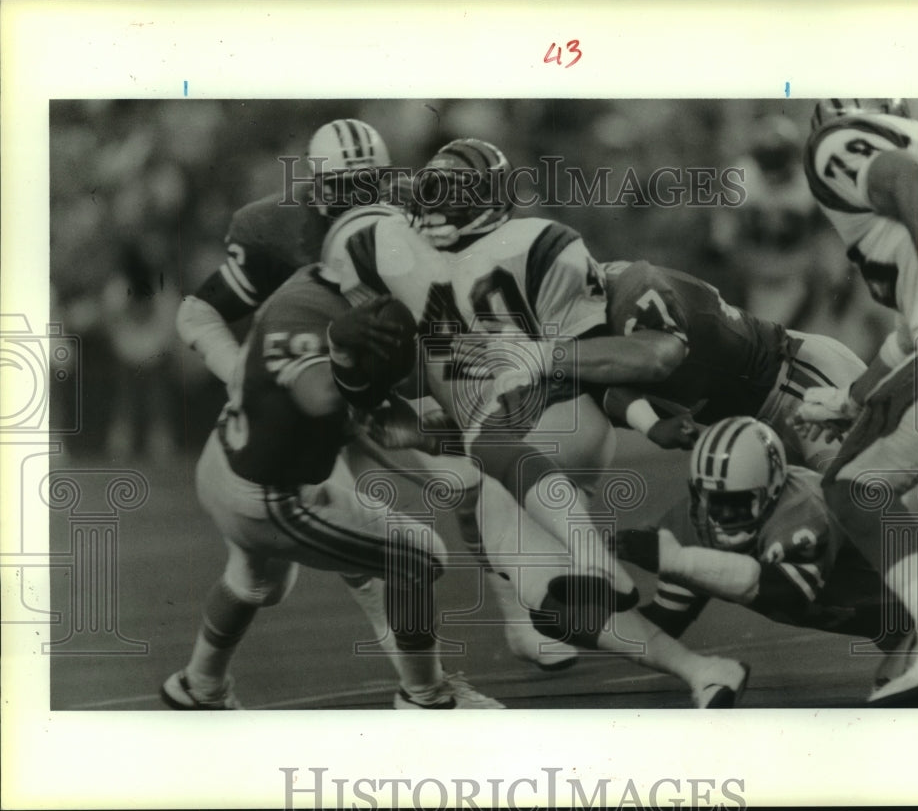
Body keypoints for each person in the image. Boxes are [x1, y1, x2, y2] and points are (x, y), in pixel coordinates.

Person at [320, 146, 752, 706]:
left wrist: (640, 417)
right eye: (433, 194)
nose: (439, 209)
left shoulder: (520, 249)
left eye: (453, 195)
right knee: (558, 606)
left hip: (546, 416)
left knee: (499, 457)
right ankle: (702, 670)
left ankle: (604, 558)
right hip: (535, 432)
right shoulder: (462, 250)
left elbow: (577, 364)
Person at [173, 119, 501, 669]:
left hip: (377, 383)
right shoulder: (276, 225)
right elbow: (196, 310)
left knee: (468, 483)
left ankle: (517, 619)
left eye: (368, 184)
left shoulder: (403, 212)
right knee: (366, 545)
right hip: (312, 394)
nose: (357, 199)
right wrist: (238, 372)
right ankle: (418, 681)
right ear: (315, 185)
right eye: (343, 188)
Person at [161, 264, 502, 709]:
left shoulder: (301, 294)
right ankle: (426, 697)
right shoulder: (323, 390)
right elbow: (324, 396)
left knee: (255, 582)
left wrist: (402, 419)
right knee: (419, 556)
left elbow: (347, 396)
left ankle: (198, 686)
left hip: (222, 460)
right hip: (267, 499)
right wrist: (383, 405)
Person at [793, 99, 918, 704]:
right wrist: (853, 397)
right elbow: (910, 337)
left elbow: (909, 181)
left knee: (854, 486)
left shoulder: (834, 144)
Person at [613, 416, 918, 700]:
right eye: (712, 500)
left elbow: (789, 592)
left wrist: (679, 561)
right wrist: (593, 614)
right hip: (892, 622)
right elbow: (664, 624)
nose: (722, 516)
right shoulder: (690, 524)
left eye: (736, 502)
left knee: (907, 703)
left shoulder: (803, 506)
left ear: (773, 489)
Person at [597, 258, 866, 472]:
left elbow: (646, 364)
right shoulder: (582, 335)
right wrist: (651, 425)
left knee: (856, 498)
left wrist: (650, 423)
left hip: (796, 383)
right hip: (757, 428)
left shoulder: (631, 289)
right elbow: (605, 389)